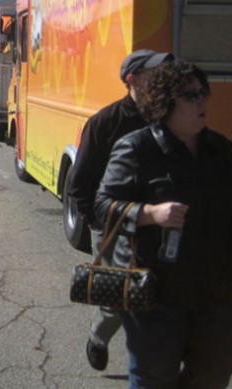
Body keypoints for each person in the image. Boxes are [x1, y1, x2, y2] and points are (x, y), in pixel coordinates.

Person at [94, 60, 232, 388]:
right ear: (165, 104)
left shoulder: (222, 149)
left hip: (218, 294)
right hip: (157, 296)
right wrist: (149, 214)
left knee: (213, 374)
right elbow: (102, 206)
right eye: (191, 96)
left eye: (204, 93)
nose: (202, 101)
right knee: (154, 379)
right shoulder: (137, 149)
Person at [68, 49, 173, 371]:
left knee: (161, 298)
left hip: (164, 227)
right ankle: (98, 338)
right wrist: (100, 226)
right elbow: (79, 185)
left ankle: (149, 365)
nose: (164, 79)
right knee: (118, 300)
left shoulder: (171, 116)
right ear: (132, 80)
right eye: (155, 74)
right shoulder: (106, 122)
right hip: (117, 226)